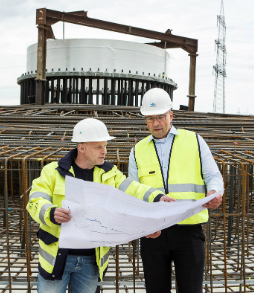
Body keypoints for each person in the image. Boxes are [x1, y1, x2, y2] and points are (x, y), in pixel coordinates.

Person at [27, 118, 173, 293]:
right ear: (82, 147)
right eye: (98, 147)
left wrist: (158, 197)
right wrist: (51, 213)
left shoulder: (109, 173)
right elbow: (35, 202)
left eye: (105, 146)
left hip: (91, 260)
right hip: (57, 258)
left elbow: (133, 189)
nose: (104, 151)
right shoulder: (52, 172)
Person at [128, 88, 224, 293]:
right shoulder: (137, 150)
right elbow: (133, 191)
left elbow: (213, 175)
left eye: (161, 117)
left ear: (171, 115)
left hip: (188, 230)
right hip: (153, 233)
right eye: (150, 118)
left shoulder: (194, 141)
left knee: (190, 289)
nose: (156, 123)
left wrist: (215, 192)